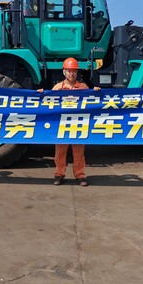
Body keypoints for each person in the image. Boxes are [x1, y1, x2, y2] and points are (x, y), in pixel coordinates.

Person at [39, 57, 100, 187]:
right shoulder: (58, 88)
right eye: (69, 71)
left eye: (74, 71)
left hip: (78, 124)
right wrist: (41, 94)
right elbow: (48, 101)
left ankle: (80, 176)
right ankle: (59, 175)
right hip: (62, 125)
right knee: (60, 152)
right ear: (64, 72)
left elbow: (92, 102)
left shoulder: (83, 87)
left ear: (77, 72)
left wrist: (96, 92)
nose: (71, 74)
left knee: (79, 152)